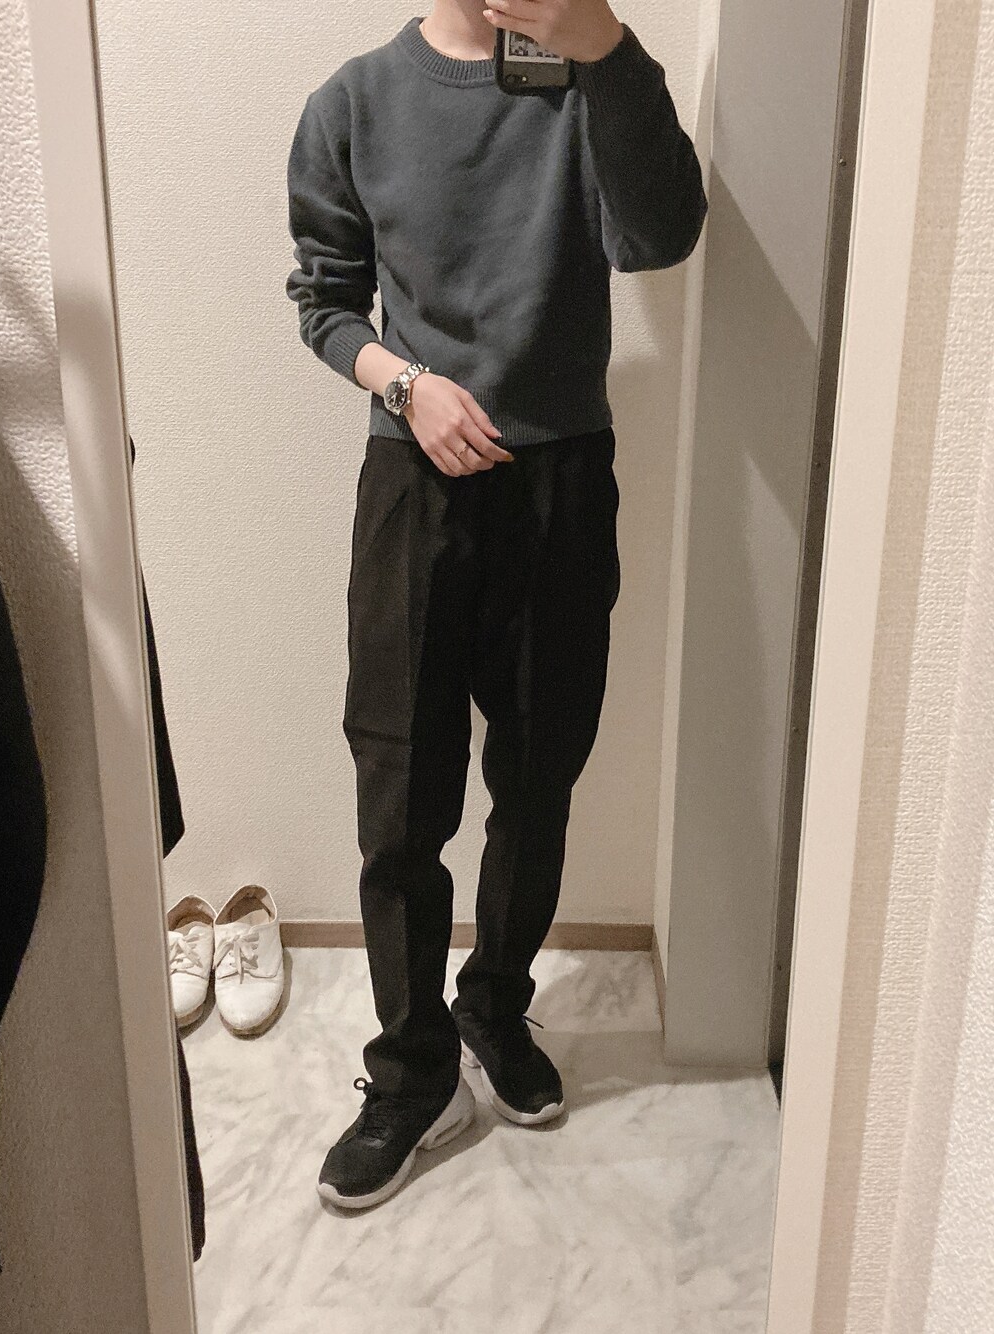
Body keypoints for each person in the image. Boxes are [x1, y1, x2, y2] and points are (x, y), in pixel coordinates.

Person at [286, 0, 707, 1210]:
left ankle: (493, 1004)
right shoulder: (354, 102)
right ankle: (413, 1071)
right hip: (413, 480)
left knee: (538, 772)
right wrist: (407, 384)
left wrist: (607, 49)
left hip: (561, 475)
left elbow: (661, 235)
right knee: (399, 788)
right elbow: (324, 301)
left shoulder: (587, 76)